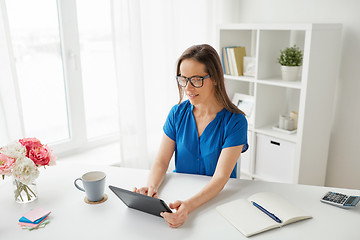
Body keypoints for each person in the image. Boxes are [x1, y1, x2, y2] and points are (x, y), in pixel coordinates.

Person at [134, 44, 248, 228]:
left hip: (217, 203)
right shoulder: (177, 114)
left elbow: (220, 177)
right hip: (177, 197)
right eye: (183, 79)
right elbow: (162, 161)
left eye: (196, 80)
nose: (188, 88)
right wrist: (152, 187)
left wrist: (189, 206)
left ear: (216, 79)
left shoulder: (236, 122)